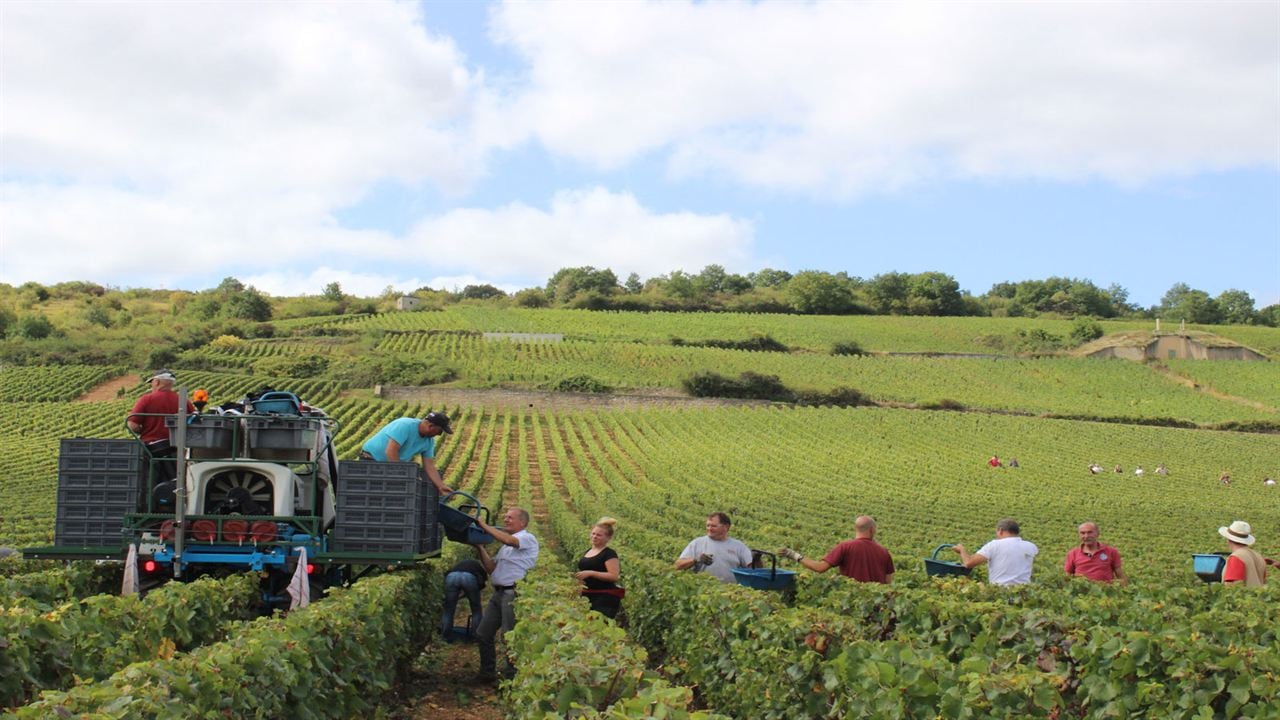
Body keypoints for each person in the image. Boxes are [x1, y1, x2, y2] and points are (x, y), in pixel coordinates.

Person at [473, 507, 539, 683]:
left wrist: (484, 526)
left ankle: (511, 680)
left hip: (513, 593)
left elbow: (510, 540)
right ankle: (487, 674)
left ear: (522, 522)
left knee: (509, 636)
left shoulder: (526, 538)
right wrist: (480, 547)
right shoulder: (505, 548)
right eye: (506, 516)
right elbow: (491, 568)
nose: (506, 519)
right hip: (498, 594)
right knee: (483, 633)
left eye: (510, 517)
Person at [126, 370, 196, 490]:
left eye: (152, 382)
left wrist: (142, 429)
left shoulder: (147, 399)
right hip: (177, 449)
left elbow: (132, 424)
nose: (151, 385)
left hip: (152, 448)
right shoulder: (183, 401)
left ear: (157, 382)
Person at [777, 515, 894, 584]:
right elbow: (888, 582)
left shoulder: (845, 547)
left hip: (852, 601)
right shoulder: (884, 552)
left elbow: (820, 568)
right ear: (873, 529)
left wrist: (794, 555)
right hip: (877, 605)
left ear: (855, 528)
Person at [360, 412, 453, 495]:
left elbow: (429, 466)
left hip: (391, 465)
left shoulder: (429, 442)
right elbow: (391, 451)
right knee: (372, 494)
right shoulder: (405, 425)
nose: (439, 434)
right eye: (440, 431)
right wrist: (403, 475)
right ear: (430, 426)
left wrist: (440, 485)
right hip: (371, 460)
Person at [952, 518, 1038, 586]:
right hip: (1024, 591)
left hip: (1000, 590)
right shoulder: (1031, 546)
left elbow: (969, 563)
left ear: (1000, 530)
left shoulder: (994, 545)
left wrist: (961, 550)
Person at [674, 512, 753, 584]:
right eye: (708, 525)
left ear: (726, 527)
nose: (709, 529)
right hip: (704, 590)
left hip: (730, 593)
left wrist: (756, 558)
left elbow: (753, 569)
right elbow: (677, 565)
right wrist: (696, 560)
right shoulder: (697, 543)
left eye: (714, 526)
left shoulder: (738, 546)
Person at [576, 517, 623, 618]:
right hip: (587, 595)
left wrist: (591, 573)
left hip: (604, 598)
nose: (594, 537)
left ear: (608, 538)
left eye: (599, 535)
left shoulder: (609, 554)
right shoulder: (588, 551)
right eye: (593, 533)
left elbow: (614, 576)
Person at [1063, 522, 1128, 585]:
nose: (1086, 536)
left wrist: (1125, 587)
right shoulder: (1073, 553)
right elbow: (1068, 575)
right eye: (1082, 533)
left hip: (1105, 592)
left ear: (1097, 533)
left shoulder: (1111, 551)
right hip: (1082, 591)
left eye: (1090, 532)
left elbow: (1119, 574)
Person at [441, 558, 488, 641]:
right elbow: (481, 583)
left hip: (451, 576)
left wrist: (459, 596)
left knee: (448, 609)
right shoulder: (478, 567)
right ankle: (475, 636)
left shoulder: (458, 565)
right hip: (469, 578)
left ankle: (446, 636)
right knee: (476, 609)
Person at [1219, 521, 1267, 587]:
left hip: (1243, 596)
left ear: (1228, 539)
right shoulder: (1259, 556)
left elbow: (1233, 587)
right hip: (1257, 596)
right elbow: (1263, 581)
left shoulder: (1236, 557)